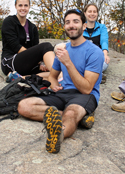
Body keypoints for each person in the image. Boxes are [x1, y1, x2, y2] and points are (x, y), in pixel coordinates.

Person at [17, 9, 104, 154]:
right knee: (24, 106)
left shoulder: (95, 52)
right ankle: (81, 117)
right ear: (64, 27)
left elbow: (87, 88)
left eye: (76, 21)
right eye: (67, 22)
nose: (71, 25)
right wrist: (54, 84)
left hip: (83, 96)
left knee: (71, 114)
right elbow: (52, 76)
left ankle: (58, 135)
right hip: (62, 93)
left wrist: (68, 63)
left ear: (84, 26)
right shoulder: (62, 49)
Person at [1, 0, 55, 80]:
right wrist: (36, 60)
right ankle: (57, 77)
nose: (23, 8)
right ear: (15, 6)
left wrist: (41, 63)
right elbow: (15, 46)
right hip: (11, 62)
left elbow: (35, 47)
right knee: (46, 46)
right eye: (20, 5)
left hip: (27, 65)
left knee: (49, 72)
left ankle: (20, 78)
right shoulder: (9, 22)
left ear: (29, 7)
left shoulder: (32, 27)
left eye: (26, 5)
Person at [83, 3, 110, 72]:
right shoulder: (80, 27)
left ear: (97, 14)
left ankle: (86, 74)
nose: (92, 14)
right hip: (82, 57)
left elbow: (104, 41)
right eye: (89, 11)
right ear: (85, 13)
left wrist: (105, 54)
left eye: (94, 12)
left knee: (104, 64)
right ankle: (94, 75)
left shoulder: (102, 27)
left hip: (97, 58)